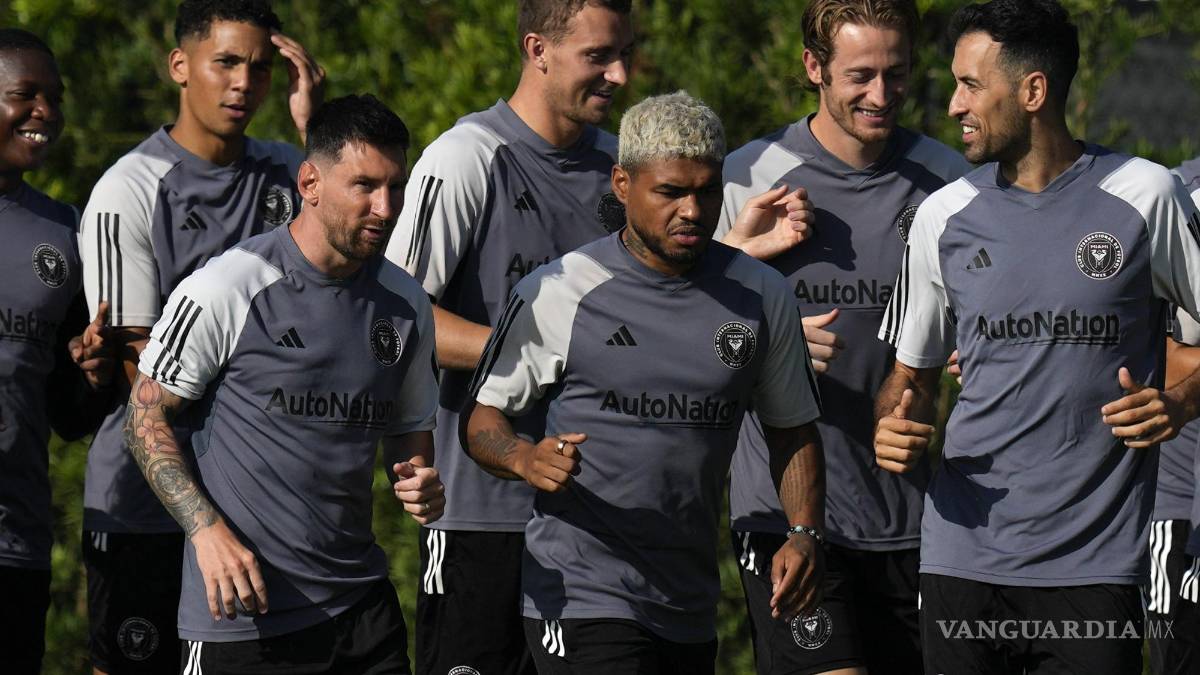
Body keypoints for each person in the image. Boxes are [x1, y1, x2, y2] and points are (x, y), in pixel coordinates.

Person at [872, 1, 1200, 672]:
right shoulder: (941, 216)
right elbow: (909, 378)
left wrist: (1180, 401)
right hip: (961, 556)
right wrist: (894, 422)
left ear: (1033, 92)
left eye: (971, 85)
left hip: (1094, 566)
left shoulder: (1147, 195)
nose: (954, 105)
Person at [463, 91, 825, 673]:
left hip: (688, 602)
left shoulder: (762, 295)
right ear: (622, 184)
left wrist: (804, 531)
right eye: (670, 192)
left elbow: (793, 429)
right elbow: (482, 420)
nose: (693, 210)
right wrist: (523, 458)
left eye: (707, 191)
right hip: (580, 593)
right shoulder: (560, 290)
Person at [124, 93, 443, 674]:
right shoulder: (228, 286)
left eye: (396, 187)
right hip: (244, 618)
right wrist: (206, 531)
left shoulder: (406, 303)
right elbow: (143, 418)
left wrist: (419, 480)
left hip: (363, 610)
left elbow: (409, 433)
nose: (385, 207)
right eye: (365, 185)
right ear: (310, 182)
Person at [717, 1, 968, 672]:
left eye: (897, 73)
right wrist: (766, 344)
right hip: (785, 518)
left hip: (914, 518)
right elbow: (671, 332)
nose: (881, 95)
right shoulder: (745, 177)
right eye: (861, 75)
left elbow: (982, 326)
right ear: (814, 67)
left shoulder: (952, 184)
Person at [383, 1, 632, 672]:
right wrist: (536, 351)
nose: (619, 76)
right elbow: (395, 319)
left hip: (600, 520)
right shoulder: (465, 157)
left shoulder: (621, 167)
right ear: (537, 49)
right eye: (598, 56)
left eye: (625, 55)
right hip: (481, 515)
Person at [77, 1, 324, 671]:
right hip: (147, 508)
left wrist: (315, 129)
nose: (244, 83)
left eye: (261, 68)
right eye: (227, 62)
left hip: (269, 506)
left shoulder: (291, 171)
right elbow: (143, 377)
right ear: (180, 66)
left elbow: (359, 255)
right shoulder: (129, 189)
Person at [0, 28, 113, 675]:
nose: (45, 111)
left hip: (15, 545)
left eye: (55, 98)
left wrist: (90, 374)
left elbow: (69, 414)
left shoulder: (67, 232)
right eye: (26, 95)